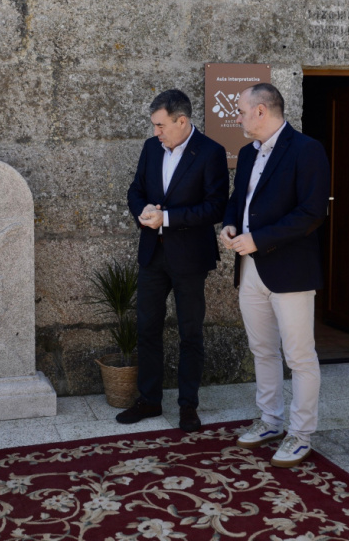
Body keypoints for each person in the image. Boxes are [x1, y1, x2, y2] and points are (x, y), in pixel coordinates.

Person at [219, 84, 330, 468]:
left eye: (242, 111)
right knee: (262, 349)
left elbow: (312, 212)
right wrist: (231, 225)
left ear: (262, 111)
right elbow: (239, 200)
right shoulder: (248, 154)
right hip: (249, 267)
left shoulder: (306, 149)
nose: (238, 117)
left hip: (290, 269)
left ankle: (300, 434)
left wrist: (259, 239)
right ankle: (269, 421)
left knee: (299, 357)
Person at [118, 89, 229, 432]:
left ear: (182, 121)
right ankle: (150, 400)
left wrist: (166, 218)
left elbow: (215, 207)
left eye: (160, 125)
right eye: (154, 126)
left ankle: (188, 405)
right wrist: (143, 210)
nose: (156, 132)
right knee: (147, 328)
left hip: (190, 258)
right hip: (153, 254)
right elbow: (135, 190)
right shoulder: (152, 149)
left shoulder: (210, 152)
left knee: (190, 333)